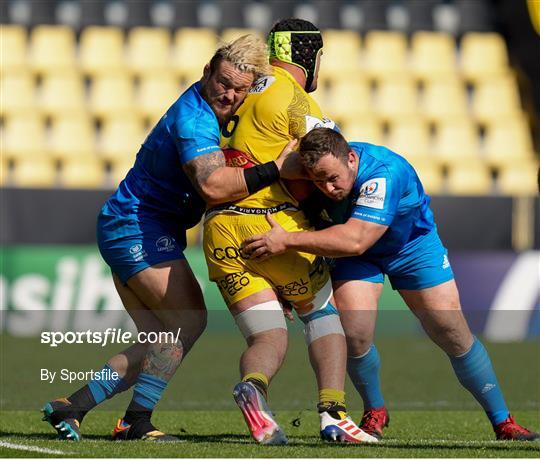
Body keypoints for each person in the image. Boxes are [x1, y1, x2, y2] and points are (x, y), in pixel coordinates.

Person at [41, 35, 295, 442]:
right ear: (206, 72)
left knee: (160, 342)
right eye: (222, 82)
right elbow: (213, 186)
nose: (228, 94)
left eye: (239, 88)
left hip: (139, 225)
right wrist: (275, 168)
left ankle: (72, 408)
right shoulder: (194, 118)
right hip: (137, 226)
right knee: (187, 321)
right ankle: (135, 422)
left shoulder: (223, 114)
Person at [242, 127, 540, 442]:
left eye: (332, 178)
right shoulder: (311, 172)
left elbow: (356, 240)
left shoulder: (383, 173)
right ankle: (375, 411)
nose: (327, 188)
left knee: (452, 332)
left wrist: (286, 241)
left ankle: (503, 421)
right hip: (355, 254)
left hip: (411, 247)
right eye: (317, 181)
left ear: (352, 158)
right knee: (354, 335)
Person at [203, 20, 376, 445]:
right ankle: (333, 413)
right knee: (321, 315)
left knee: (268, 335)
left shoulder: (235, 89)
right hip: (271, 224)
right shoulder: (296, 101)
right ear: (309, 57)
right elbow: (328, 162)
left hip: (220, 230)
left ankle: (254, 387)